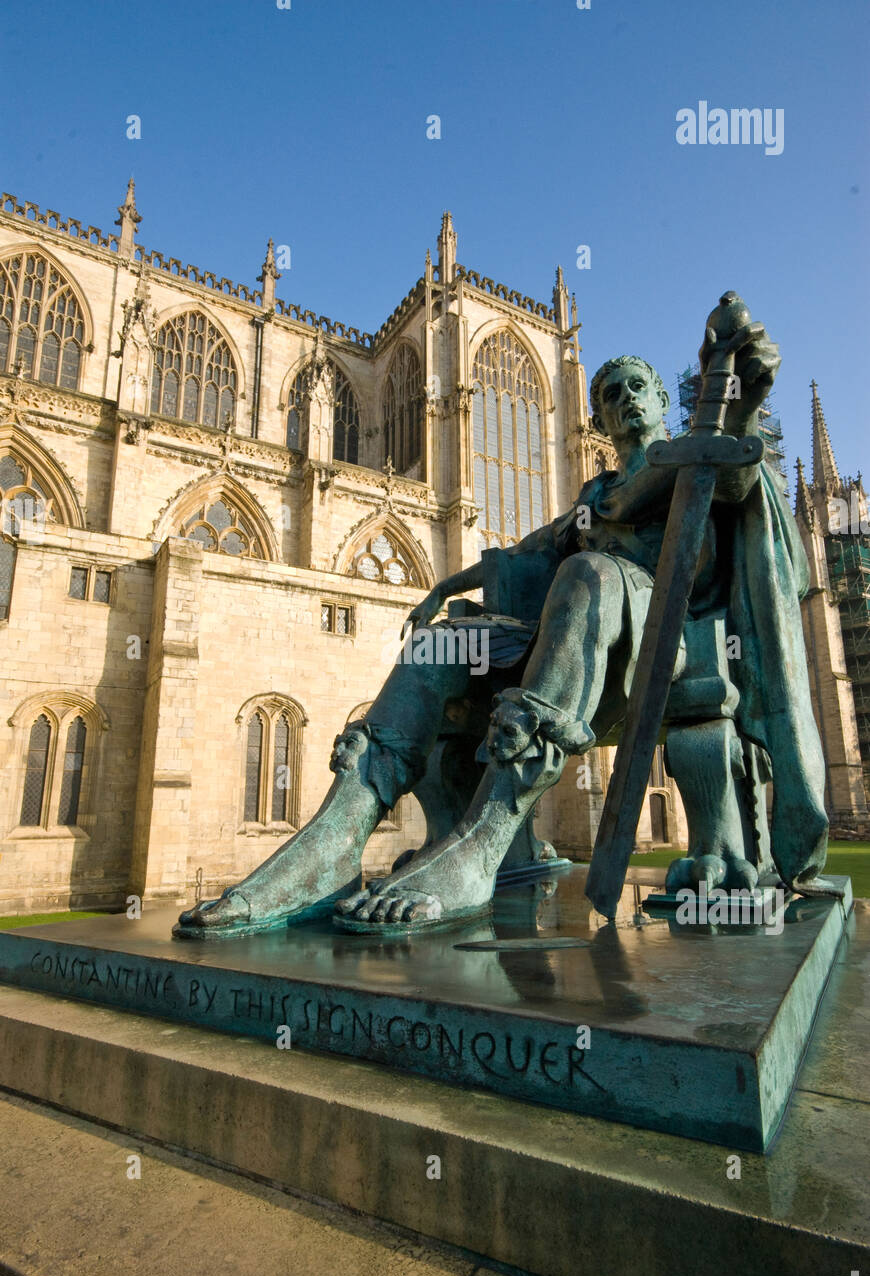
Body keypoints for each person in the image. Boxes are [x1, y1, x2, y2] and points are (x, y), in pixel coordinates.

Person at [176, 318, 827, 937]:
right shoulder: (592, 499)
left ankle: (484, 842)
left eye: (637, 386)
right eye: (609, 393)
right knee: (442, 643)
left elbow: (739, 475)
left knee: (588, 576)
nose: (624, 398)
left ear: (661, 398)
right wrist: (447, 590)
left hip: (672, 637)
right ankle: (334, 842)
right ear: (595, 418)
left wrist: (738, 406)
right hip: (579, 643)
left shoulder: (694, 459)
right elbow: (524, 554)